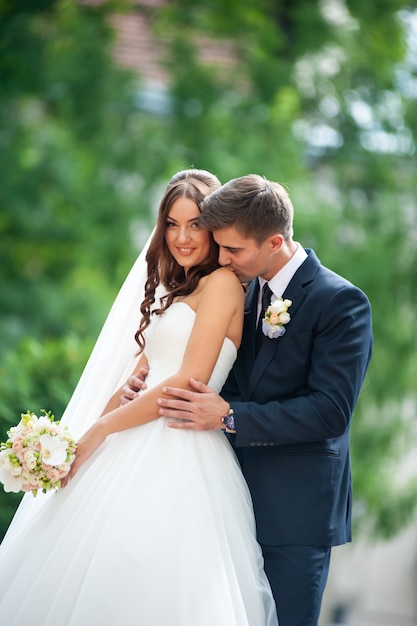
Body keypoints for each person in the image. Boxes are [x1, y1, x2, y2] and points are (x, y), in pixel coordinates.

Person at [0, 170, 278, 626]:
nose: (182, 237)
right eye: (171, 223)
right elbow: (141, 376)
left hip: (180, 449)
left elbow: (188, 381)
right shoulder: (177, 288)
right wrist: (70, 446)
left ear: (215, 229)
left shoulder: (223, 285)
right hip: (132, 437)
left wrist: (101, 430)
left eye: (194, 225)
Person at [122, 174, 373, 626]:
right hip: (223, 497)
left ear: (274, 241)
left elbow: (330, 412)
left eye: (233, 249)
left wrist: (231, 416)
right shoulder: (243, 287)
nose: (221, 258)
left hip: (295, 514)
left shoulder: (340, 303)